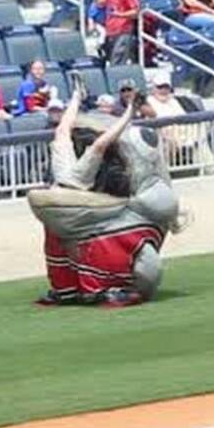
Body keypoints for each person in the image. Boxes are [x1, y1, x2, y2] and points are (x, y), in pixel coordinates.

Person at [29, 73, 182, 307]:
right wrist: (125, 111)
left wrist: (127, 112)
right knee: (63, 135)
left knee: (75, 140)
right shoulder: (75, 162)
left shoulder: (86, 164)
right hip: (66, 187)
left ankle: (89, 287)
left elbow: (95, 142)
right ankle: (67, 289)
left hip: (74, 190)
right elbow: (71, 132)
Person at [98, 0, 140, 65]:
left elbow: (136, 11)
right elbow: (99, 5)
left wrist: (120, 15)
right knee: (110, 62)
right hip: (109, 32)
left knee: (117, 63)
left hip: (123, 32)